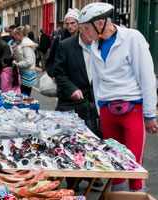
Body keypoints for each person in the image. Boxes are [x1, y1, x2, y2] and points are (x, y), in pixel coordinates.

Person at [79, 2, 158, 192]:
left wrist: (149, 114)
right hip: (107, 110)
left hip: (133, 108)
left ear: (100, 23)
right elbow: (96, 81)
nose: (84, 34)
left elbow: (147, 77)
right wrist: (100, 110)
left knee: (133, 164)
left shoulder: (132, 38)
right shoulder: (95, 45)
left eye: (87, 28)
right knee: (114, 163)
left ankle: (137, 196)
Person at [53, 8, 103, 191]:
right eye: (90, 30)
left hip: (94, 103)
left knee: (93, 141)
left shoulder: (101, 44)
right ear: (82, 29)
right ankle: (72, 182)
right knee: (70, 142)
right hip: (71, 103)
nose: (94, 35)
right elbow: (59, 72)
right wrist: (72, 88)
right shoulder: (66, 45)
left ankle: (92, 177)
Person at [46, 8, 80, 78]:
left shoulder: (84, 39)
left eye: (72, 23)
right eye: (67, 24)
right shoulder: (59, 40)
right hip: (62, 79)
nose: (70, 26)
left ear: (78, 23)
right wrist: (53, 74)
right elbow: (50, 61)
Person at [13, 25, 38, 96]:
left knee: (25, 96)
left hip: (26, 75)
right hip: (24, 74)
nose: (14, 36)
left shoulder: (26, 45)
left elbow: (29, 61)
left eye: (16, 34)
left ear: (20, 35)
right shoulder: (22, 44)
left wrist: (16, 65)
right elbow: (21, 57)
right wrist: (15, 52)